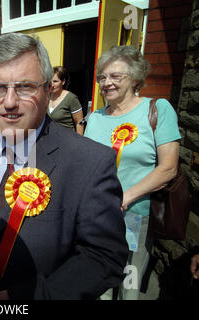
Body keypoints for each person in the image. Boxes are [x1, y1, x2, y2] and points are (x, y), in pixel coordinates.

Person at [0, 32, 129, 300]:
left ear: (47, 90)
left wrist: (26, 296)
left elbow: (104, 257)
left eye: (24, 87)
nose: (9, 102)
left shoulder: (89, 162)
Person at [84, 45, 181, 300]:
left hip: (135, 214)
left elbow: (168, 168)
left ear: (136, 77)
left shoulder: (158, 110)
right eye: (102, 77)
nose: (107, 83)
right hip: (98, 215)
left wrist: (125, 197)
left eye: (116, 76)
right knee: (100, 282)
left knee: (129, 282)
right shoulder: (95, 117)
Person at [47, 66, 85, 135]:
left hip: (67, 139)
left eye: (55, 81)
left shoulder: (71, 98)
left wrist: (78, 142)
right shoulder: (46, 97)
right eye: (50, 81)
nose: (51, 85)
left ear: (63, 82)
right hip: (51, 139)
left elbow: (79, 122)